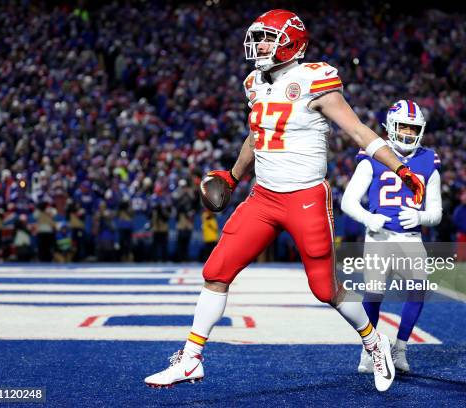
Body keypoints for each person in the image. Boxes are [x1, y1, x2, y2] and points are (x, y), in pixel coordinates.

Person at [144, 10, 425, 393]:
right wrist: (233, 175)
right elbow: (256, 135)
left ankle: (374, 343)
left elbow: (359, 130)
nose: (258, 46)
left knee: (325, 289)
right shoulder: (254, 82)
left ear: (291, 43)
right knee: (216, 271)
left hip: (306, 197)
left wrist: (401, 169)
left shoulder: (315, 79)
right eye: (257, 38)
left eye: (267, 39)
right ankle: (191, 358)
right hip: (263, 198)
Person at [341, 100, 442, 374]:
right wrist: (368, 217)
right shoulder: (373, 154)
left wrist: (421, 217)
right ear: (390, 128)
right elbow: (348, 202)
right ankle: (370, 350)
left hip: (411, 238)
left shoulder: (428, 160)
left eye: (413, 129)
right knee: (373, 295)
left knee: (418, 291)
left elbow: (437, 212)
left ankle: (400, 349)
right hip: (379, 236)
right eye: (403, 128)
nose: (408, 134)